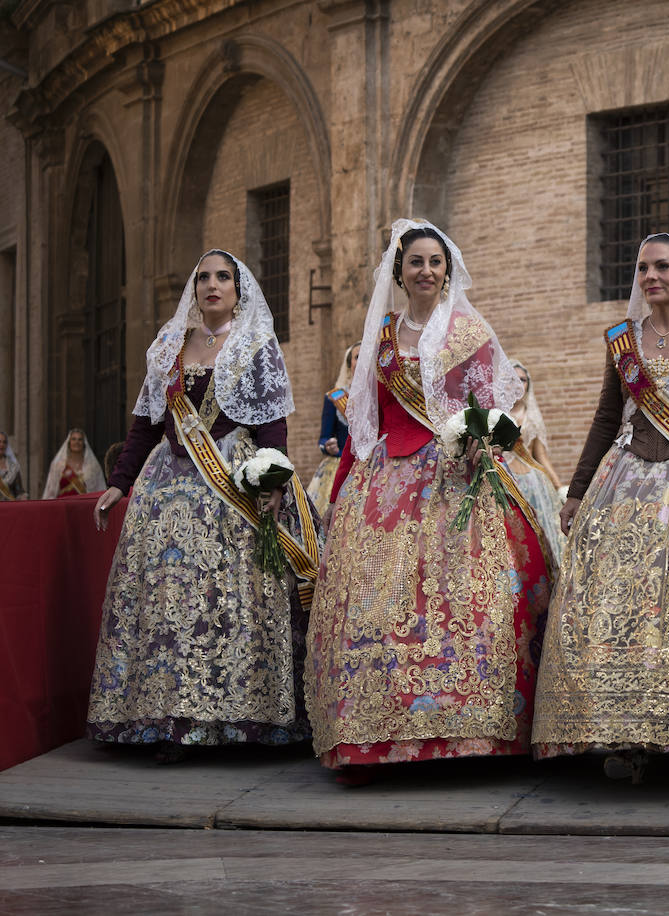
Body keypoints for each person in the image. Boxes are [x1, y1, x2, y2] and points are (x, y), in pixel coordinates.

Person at [305, 219, 552, 785]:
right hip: (385, 482)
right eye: (415, 262)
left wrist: (479, 442)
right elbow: (362, 426)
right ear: (400, 271)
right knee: (380, 602)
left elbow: (500, 414)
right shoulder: (382, 339)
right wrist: (341, 492)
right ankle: (373, 735)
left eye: (435, 262)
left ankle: (471, 731)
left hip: (458, 481)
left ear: (448, 270)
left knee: (468, 598)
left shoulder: (470, 333)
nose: (426, 271)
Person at [531, 233, 669, 783]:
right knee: (616, 605)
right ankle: (619, 733)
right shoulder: (622, 343)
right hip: (623, 485)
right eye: (642, 268)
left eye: (662, 266)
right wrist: (579, 491)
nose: (650, 276)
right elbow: (606, 420)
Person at [89, 249, 317, 762]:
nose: (213, 284)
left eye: (224, 277)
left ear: (239, 288)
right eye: (204, 277)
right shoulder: (169, 346)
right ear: (194, 289)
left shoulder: (255, 345)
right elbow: (146, 424)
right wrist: (120, 483)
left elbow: (271, 424)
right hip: (164, 488)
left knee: (225, 597)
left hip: (230, 482)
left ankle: (237, 718)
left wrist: (273, 481)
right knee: (167, 602)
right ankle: (171, 720)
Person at [503, 359, 566, 560]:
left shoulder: (533, 416)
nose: (518, 384)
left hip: (534, 484)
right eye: (512, 380)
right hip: (506, 481)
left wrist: (559, 487)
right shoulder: (496, 413)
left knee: (542, 533)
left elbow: (541, 457)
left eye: (522, 380)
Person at [305, 342, 360, 514]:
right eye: (357, 357)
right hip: (340, 467)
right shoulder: (335, 398)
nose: (362, 360)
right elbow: (323, 438)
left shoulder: (378, 395)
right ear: (349, 364)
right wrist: (328, 446)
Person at [42, 428, 106, 498]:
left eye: (80, 439)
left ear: (84, 443)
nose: (77, 442)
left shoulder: (93, 466)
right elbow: (51, 490)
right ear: (69, 442)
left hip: (85, 506)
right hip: (63, 506)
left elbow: (99, 489)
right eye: (73, 439)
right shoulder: (59, 465)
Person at [0, 431, 24, 500]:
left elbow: (19, 491)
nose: (2, 445)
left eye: (4, 442)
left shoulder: (13, 467)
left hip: (9, 507)